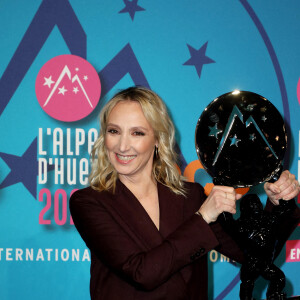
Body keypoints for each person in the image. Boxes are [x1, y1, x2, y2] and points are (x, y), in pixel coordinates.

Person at [70, 86, 300, 300]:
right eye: (114, 131)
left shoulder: (191, 196)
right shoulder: (89, 202)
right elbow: (142, 273)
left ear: (158, 140)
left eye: (137, 133)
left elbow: (254, 257)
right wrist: (203, 218)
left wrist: (278, 203)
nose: (122, 146)